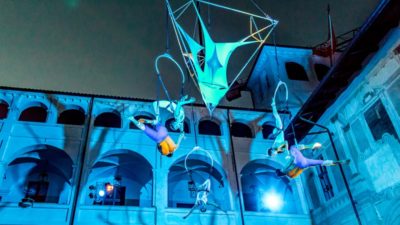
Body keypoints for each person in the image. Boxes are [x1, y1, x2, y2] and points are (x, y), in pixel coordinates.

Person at [128, 95, 195, 156]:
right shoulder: (180, 122)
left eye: (174, 126)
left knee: (153, 122)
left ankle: (152, 120)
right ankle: (136, 119)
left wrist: (188, 100)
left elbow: (181, 135)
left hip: (164, 135)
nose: (176, 126)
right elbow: (181, 133)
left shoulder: (178, 119)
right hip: (160, 137)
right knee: (146, 128)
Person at [276, 143, 350, 178]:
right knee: (292, 147)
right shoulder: (283, 169)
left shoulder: (290, 176)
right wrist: (291, 155)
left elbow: (299, 170)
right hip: (299, 161)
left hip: (303, 165)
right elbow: (290, 162)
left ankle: (340, 162)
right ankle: (311, 146)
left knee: (320, 162)